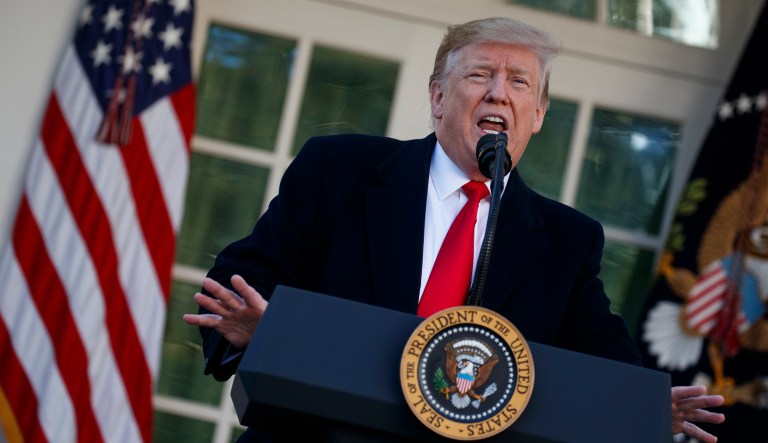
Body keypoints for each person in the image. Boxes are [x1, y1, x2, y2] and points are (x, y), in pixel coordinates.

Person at [183, 16, 726, 442]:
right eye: (478, 75)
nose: (498, 93)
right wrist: (263, 332)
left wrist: (642, 405)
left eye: (519, 82)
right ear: (438, 98)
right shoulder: (339, 171)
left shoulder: (566, 240)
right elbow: (239, 282)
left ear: (537, 115)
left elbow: (604, 363)